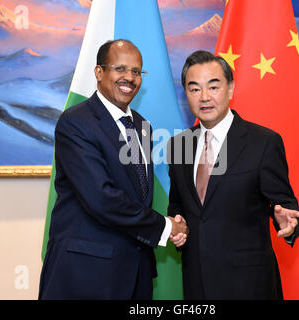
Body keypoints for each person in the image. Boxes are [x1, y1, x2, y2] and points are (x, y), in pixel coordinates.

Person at [38, 39, 187, 300]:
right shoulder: (76, 122)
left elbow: (136, 195)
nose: (129, 78)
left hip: (135, 272)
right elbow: (101, 198)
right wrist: (165, 227)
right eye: (120, 69)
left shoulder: (142, 127)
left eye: (136, 71)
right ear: (99, 72)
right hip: (87, 273)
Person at [167, 50, 299, 300]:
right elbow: (177, 203)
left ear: (230, 89)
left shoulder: (263, 142)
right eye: (194, 89)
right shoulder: (178, 145)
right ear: (186, 94)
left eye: (213, 87)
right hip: (197, 283)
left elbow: (286, 204)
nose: (204, 97)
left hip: (249, 285)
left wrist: (288, 222)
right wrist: (178, 225)